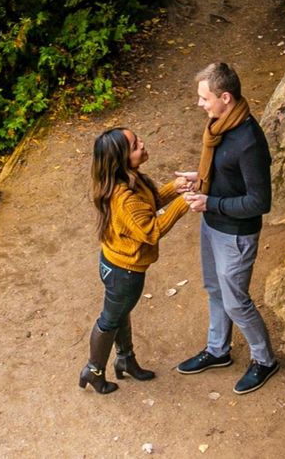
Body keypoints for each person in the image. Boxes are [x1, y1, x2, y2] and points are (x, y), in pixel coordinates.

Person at [174, 61, 279, 395]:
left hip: (235, 233)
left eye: (205, 99)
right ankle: (218, 350)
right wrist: (200, 178)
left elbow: (259, 202)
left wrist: (211, 202)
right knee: (214, 289)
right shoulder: (219, 127)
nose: (200, 105)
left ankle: (264, 360)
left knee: (236, 301)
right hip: (212, 225)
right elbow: (225, 173)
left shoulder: (248, 141)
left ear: (226, 97)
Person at [81, 126, 190, 394]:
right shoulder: (124, 198)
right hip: (124, 273)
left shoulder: (127, 180)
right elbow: (150, 230)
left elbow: (148, 205)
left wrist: (175, 189)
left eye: (136, 139)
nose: (141, 143)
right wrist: (185, 201)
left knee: (119, 314)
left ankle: (125, 359)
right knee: (110, 319)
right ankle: (93, 370)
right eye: (133, 146)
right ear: (121, 159)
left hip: (112, 262)